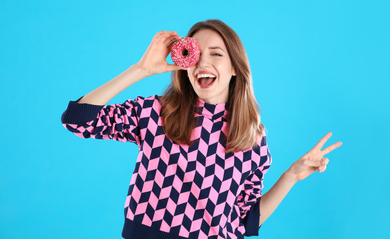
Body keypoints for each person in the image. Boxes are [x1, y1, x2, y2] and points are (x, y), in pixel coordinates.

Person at [61, 19, 342, 239]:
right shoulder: (155, 113)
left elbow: (244, 220)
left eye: (217, 54)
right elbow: (77, 119)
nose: (203, 63)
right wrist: (141, 69)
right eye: (195, 54)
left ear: (235, 68)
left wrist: (292, 175)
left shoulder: (252, 137)